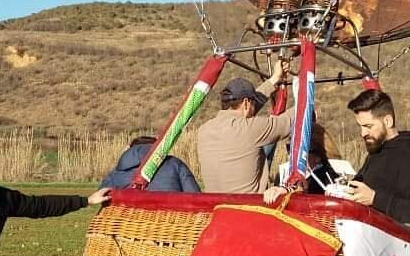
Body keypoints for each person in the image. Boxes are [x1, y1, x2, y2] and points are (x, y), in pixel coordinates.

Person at [198, 60, 292, 193]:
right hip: (248, 209)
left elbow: (245, 109)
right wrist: (305, 91)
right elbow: (287, 122)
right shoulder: (250, 129)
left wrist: (274, 79)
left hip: (218, 208)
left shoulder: (204, 130)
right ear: (247, 103)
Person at [345, 89, 410, 224]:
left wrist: (375, 198)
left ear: (387, 121)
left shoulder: (405, 156)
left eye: (368, 126)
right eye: (360, 126)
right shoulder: (376, 152)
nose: (363, 133)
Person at [101, 135, 200, 192]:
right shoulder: (175, 163)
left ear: (129, 150)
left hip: (128, 224)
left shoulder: (119, 170)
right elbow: (195, 196)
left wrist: (122, 158)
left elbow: (102, 194)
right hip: (171, 222)